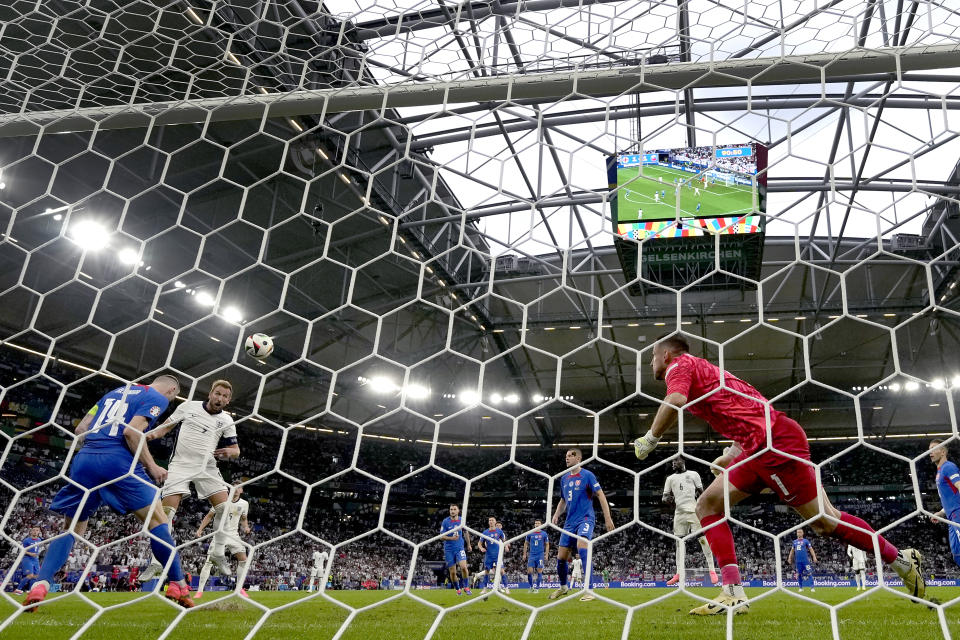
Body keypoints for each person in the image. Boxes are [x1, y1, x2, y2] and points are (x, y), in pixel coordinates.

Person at [633, 334, 924, 615]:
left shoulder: (680, 365)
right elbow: (750, 408)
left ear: (666, 354)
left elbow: (676, 399)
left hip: (777, 446)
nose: (650, 364)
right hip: (758, 448)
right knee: (707, 505)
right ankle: (732, 593)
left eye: (652, 357)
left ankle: (901, 561)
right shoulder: (708, 372)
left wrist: (650, 438)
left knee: (824, 522)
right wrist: (733, 454)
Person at [24, 376, 194, 609]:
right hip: (119, 462)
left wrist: (96, 455)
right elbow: (131, 432)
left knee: (71, 529)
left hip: (85, 460)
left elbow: (81, 428)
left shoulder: (114, 393)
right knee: (157, 521)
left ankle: (40, 585)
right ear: (172, 390)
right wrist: (152, 466)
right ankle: (178, 584)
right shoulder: (156, 397)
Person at [140, 380, 240, 582]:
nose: (219, 398)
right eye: (217, 393)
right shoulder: (188, 406)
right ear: (210, 393)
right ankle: (157, 562)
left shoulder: (227, 421)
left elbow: (236, 451)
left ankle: (218, 553)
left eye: (224, 396)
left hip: (208, 467)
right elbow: (164, 428)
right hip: (181, 465)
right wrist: (148, 435)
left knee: (225, 509)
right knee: (165, 513)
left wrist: (231, 452)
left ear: (228, 401)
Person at [549, 448, 615, 602]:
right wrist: (556, 514)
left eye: (570, 456)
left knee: (582, 547)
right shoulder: (564, 479)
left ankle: (590, 590)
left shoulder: (587, 475)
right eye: (565, 456)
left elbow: (600, 494)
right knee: (561, 558)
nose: (566, 459)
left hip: (585, 518)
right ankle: (564, 587)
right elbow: (563, 500)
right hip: (569, 523)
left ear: (578, 458)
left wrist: (608, 517)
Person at [662, 458, 718, 586]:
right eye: (672, 463)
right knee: (679, 543)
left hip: (693, 511)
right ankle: (679, 573)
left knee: (702, 539)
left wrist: (705, 507)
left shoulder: (693, 474)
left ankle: (712, 570)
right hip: (679, 514)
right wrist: (668, 499)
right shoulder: (670, 479)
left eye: (675, 461)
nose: (673, 464)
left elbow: (701, 493)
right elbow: (664, 496)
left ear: (682, 462)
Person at [194, 484, 251, 599]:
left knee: (243, 559)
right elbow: (209, 516)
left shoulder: (244, 504)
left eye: (238, 488)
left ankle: (239, 588)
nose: (235, 490)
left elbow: (244, 519)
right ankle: (199, 591)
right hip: (220, 534)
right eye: (233, 488)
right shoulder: (222, 501)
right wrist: (200, 529)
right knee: (209, 561)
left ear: (241, 490)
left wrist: (246, 527)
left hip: (234, 535)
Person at [929, 439, 960, 568]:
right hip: (950, 516)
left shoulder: (948, 467)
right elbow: (950, 496)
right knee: (956, 554)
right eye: (929, 449)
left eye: (933, 448)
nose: (930, 452)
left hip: (958, 513)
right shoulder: (940, 471)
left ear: (942, 452)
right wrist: (941, 512)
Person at [440, 504, 472, 596]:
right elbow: (441, 537)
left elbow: (466, 532)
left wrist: (469, 544)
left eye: (454, 509)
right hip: (449, 550)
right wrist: (451, 539)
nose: (452, 511)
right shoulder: (445, 521)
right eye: (451, 509)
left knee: (464, 567)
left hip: (460, 548)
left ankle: (466, 587)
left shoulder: (462, 520)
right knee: (453, 572)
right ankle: (457, 589)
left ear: (458, 511)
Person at [478, 516, 509, 594]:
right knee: (486, 571)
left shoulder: (499, 532)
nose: (491, 521)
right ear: (488, 522)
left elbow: (504, 540)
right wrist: (481, 548)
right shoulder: (485, 532)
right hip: (488, 555)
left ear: (495, 522)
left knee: (502, 571)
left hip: (497, 555)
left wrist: (506, 546)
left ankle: (506, 588)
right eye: (489, 520)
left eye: (492, 520)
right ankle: (485, 589)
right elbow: (479, 543)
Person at [14, 527, 42, 594]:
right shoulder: (26, 540)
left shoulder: (39, 540)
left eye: (37, 530)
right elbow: (22, 550)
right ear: (31, 532)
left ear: (39, 532)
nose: (35, 531)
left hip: (35, 559)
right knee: (30, 575)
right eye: (34, 530)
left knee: (36, 576)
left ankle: (30, 591)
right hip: (27, 558)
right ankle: (18, 589)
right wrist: (30, 553)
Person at [523, 520, 549, 593]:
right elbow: (525, 543)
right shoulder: (530, 533)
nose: (537, 524)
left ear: (541, 525)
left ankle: (537, 588)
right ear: (534, 524)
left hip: (540, 555)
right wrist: (524, 554)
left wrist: (546, 554)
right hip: (531, 555)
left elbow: (547, 544)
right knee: (529, 571)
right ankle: (531, 587)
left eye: (538, 523)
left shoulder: (544, 534)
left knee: (539, 571)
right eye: (536, 523)